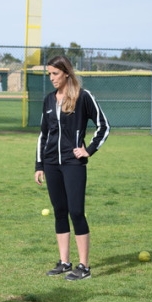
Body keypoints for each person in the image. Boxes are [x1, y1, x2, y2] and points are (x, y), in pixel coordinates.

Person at [34, 55, 110, 281]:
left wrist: (89, 150)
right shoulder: (49, 100)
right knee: (59, 212)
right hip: (51, 163)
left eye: (55, 74)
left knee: (76, 211)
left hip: (73, 163)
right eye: (49, 74)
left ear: (66, 72)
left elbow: (103, 126)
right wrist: (39, 164)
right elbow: (43, 134)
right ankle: (64, 262)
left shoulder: (83, 97)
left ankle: (84, 266)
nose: (51, 78)